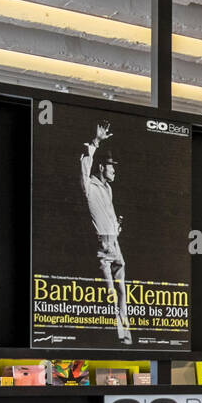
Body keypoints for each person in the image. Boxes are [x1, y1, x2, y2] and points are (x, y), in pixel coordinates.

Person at [77, 120, 136, 345]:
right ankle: (116, 336)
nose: (114, 170)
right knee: (110, 293)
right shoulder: (89, 186)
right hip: (102, 246)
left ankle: (126, 336)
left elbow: (104, 214)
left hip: (115, 244)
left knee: (122, 292)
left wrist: (115, 227)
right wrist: (96, 141)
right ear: (102, 167)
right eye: (112, 166)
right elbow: (84, 165)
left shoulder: (108, 188)